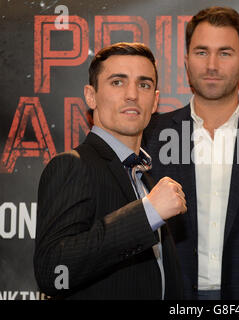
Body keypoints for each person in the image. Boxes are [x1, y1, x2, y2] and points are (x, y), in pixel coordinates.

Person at [143, 7, 239, 300]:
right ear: (186, 61)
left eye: (225, 53)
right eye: (202, 52)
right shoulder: (151, 133)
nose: (212, 65)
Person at [33, 42, 186, 300]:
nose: (132, 95)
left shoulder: (145, 178)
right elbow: (52, 272)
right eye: (117, 82)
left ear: (155, 101)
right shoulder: (73, 165)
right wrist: (147, 213)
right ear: (90, 96)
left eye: (144, 84)